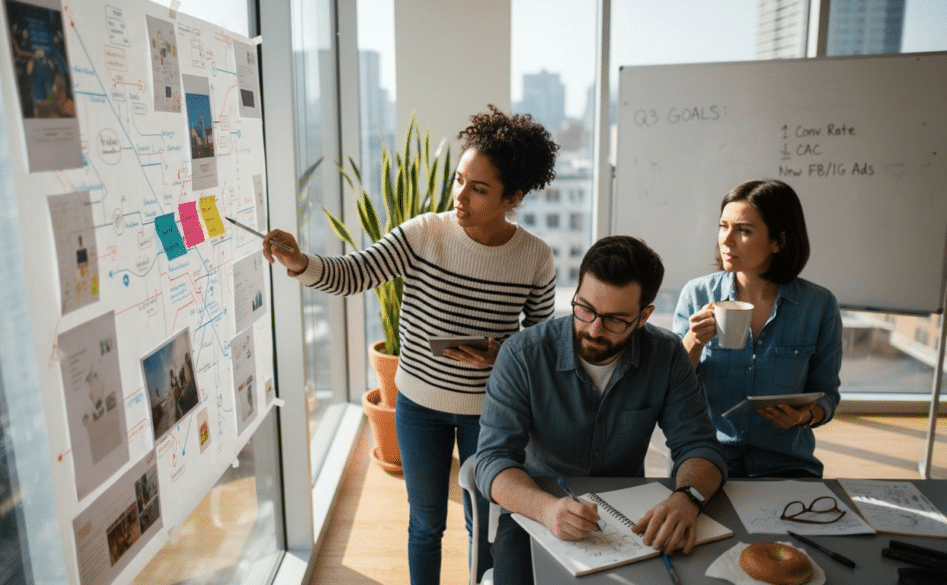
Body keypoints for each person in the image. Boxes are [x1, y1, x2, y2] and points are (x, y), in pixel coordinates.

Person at [261, 105, 559, 585]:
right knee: (425, 523)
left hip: (492, 411)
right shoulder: (424, 233)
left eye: (479, 188)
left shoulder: (535, 257)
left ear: (514, 197)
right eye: (460, 179)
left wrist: (501, 352)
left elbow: (540, 341)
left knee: (482, 524)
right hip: (419, 404)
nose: (460, 195)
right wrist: (300, 263)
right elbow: (355, 272)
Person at [475, 235, 725, 585]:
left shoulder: (666, 355)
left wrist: (687, 498)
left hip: (629, 516)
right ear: (576, 292)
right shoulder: (523, 355)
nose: (593, 329)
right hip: (535, 510)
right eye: (585, 309)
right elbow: (492, 461)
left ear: (643, 317)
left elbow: (699, 447)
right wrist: (547, 510)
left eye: (615, 320)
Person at [673, 179, 842, 478]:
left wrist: (804, 415)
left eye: (743, 230)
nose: (726, 240)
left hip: (787, 462)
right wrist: (693, 342)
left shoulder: (819, 306)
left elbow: (827, 393)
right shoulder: (697, 295)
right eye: (723, 226)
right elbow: (671, 388)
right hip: (709, 459)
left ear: (779, 241)